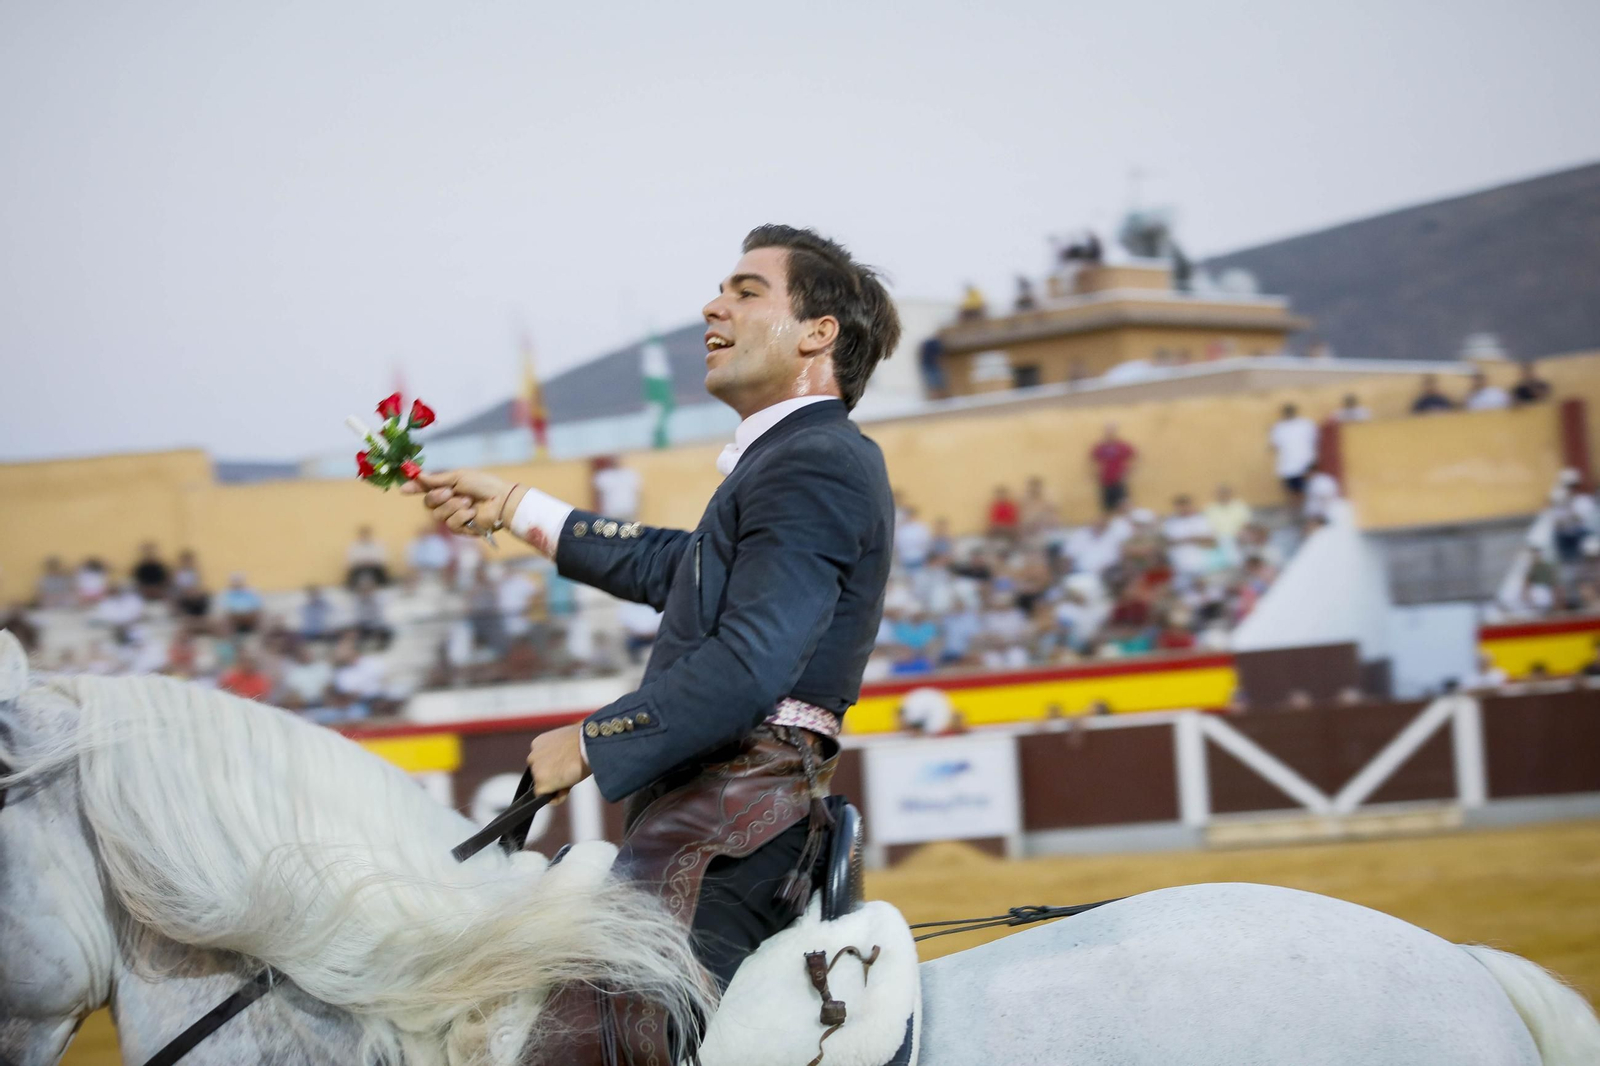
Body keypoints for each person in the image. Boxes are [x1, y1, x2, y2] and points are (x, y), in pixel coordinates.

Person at [404, 225, 898, 1061]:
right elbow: (676, 563)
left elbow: (749, 664)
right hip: (719, 811)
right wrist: (517, 507)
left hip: (732, 816)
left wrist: (595, 739)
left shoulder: (811, 460)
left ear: (819, 334)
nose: (713, 305)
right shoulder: (792, 460)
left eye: (747, 292)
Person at [1268, 403, 1319, 503]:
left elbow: (1315, 441)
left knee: (1309, 490)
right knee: (1292, 492)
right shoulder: (1279, 427)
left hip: (1306, 463)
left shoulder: (1306, 424)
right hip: (1288, 466)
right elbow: (1274, 445)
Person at [1089, 423, 1137, 514]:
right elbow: (1093, 461)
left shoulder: (1122, 446)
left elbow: (1134, 457)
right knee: (1107, 507)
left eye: (1111, 431)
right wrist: (1096, 474)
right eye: (1108, 431)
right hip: (1106, 481)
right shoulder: (1101, 447)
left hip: (1119, 480)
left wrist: (1127, 472)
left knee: (1123, 504)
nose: (1109, 433)